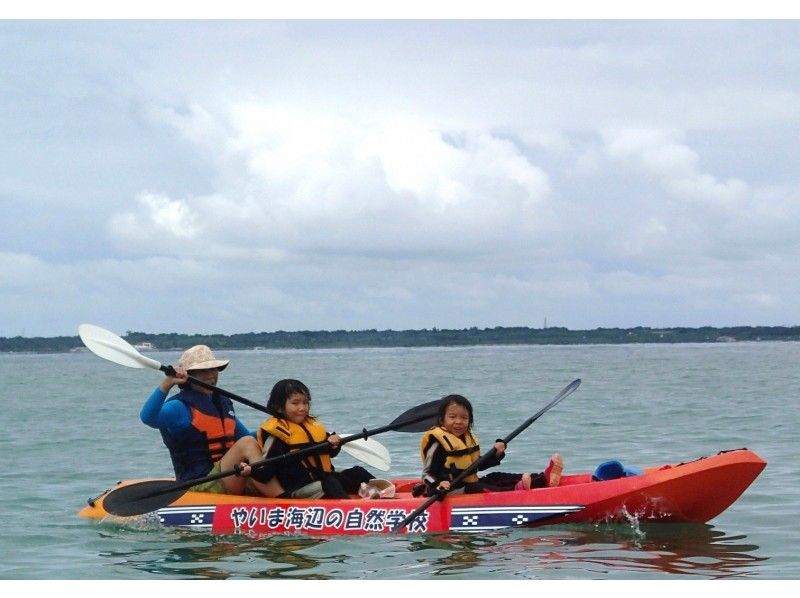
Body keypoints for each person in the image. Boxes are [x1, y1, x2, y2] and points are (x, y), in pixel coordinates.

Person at [140, 344, 281, 496]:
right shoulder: (178, 407)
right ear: (188, 376)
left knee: (275, 435)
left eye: (213, 369)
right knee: (248, 443)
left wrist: (277, 428)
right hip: (199, 484)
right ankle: (280, 497)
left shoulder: (221, 403)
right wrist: (166, 385)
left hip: (230, 475)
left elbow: (248, 437)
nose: (210, 376)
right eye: (202, 371)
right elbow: (148, 418)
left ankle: (297, 494)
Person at [417, 394, 563, 496]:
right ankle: (516, 491)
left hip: (470, 483)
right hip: (450, 490)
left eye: (464, 418)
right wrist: (438, 485)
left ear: (470, 420)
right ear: (442, 420)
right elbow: (427, 474)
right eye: (452, 417)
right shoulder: (437, 441)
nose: (459, 422)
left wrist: (496, 453)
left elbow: (477, 465)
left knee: (497, 477)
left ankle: (543, 479)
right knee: (484, 488)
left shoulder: (467, 437)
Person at [256, 378, 374, 499]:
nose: (302, 408)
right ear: (279, 407)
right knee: (330, 482)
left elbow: (330, 453)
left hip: (324, 479)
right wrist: (250, 471)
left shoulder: (312, 425)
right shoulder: (277, 435)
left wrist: (334, 442)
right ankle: (349, 509)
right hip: (299, 488)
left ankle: (387, 493)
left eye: (305, 403)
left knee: (358, 472)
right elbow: (266, 473)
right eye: (295, 403)